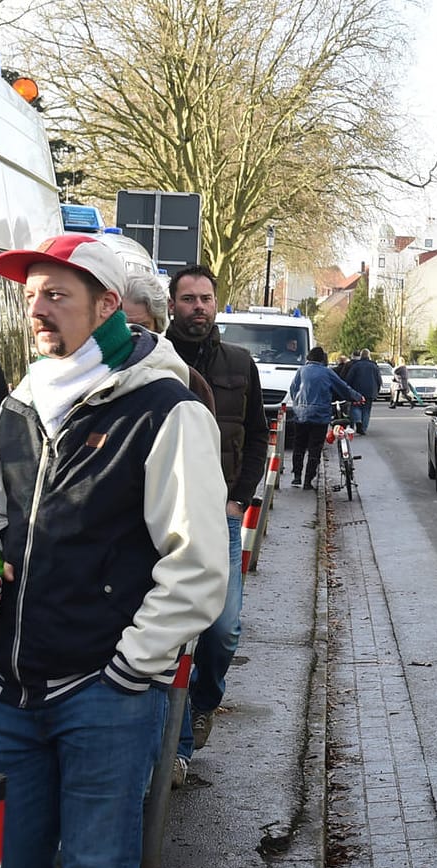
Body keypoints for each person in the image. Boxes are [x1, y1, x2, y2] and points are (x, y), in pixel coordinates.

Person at [0, 233, 229, 868]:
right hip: (10, 689)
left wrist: (130, 666)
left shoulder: (165, 407)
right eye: (32, 294)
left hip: (106, 698)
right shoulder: (18, 404)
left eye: (57, 295)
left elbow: (199, 564)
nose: (37, 309)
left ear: (108, 306)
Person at [165, 265, 270, 783]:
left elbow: (257, 436)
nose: (198, 307)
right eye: (188, 299)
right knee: (174, 634)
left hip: (222, 518)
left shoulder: (238, 362)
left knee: (222, 633)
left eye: (206, 298)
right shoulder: (152, 363)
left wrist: (239, 500)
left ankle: (205, 699)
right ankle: (178, 747)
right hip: (165, 518)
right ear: (172, 305)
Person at [121, 271, 216, 411]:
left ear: (158, 327)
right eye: (124, 326)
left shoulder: (188, 379)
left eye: (143, 327)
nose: (134, 336)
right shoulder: (94, 377)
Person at [287, 346, 365, 487]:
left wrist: (299, 404)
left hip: (300, 414)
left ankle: (297, 476)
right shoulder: (327, 373)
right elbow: (343, 388)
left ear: (308, 358)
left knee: (298, 445)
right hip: (319, 416)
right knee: (314, 448)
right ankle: (308, 481)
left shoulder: (301, 371)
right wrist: (358, 397)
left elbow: (293, 389)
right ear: (322, 359)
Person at [344, 348, 383, 433]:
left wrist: (349, 390)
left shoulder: (356, 365)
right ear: (369, 356)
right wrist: (377, 390)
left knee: (356, 406)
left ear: (361, 356)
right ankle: (363, 428)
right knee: (366, 410)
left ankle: (358, 421)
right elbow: (379, 380)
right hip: (370, 391)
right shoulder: (374, 366)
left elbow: (349, 378)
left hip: (357, 391)